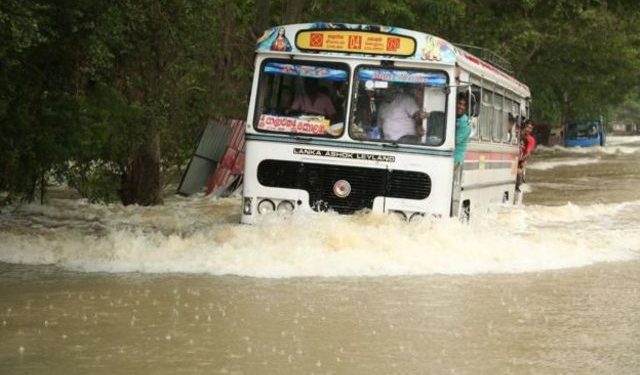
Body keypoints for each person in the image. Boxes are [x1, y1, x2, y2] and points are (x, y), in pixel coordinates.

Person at [516, 119, 536, 191]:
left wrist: (520, 160)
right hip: (513, 158)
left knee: (518, 173)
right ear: (524, 126)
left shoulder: (531, 140)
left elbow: (528, 153)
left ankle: (518, 186)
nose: (528, 129)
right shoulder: (517, 134)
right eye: (527, 127)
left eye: (530, 128)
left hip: (521, 161)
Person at [454, 93, 472, 166]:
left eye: (463, 105)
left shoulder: (465, 123)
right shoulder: (453, 117)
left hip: (456, 161)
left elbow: (454, 141)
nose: (460, 107)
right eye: (459, 103)